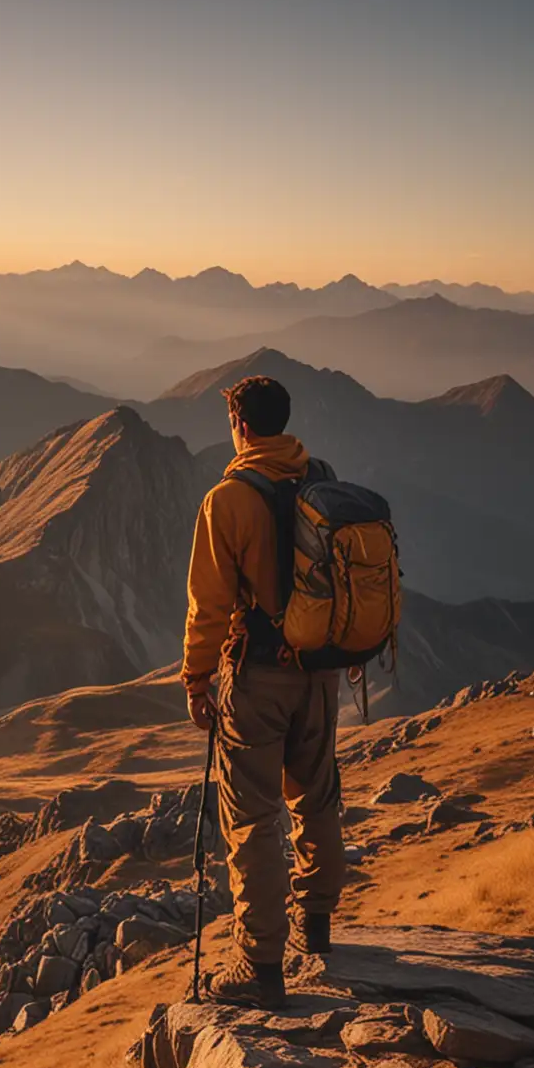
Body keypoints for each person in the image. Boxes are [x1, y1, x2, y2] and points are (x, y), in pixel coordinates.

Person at [182, 375, 343, 1008]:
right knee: (317, 793)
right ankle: (319, 924)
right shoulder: (321, 477)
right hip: (322, 671)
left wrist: (197, 679)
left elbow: (210, 606)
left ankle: (261, 965)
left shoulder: (229, 500)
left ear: (241, 426)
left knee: (251, 817)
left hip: (259, 679)